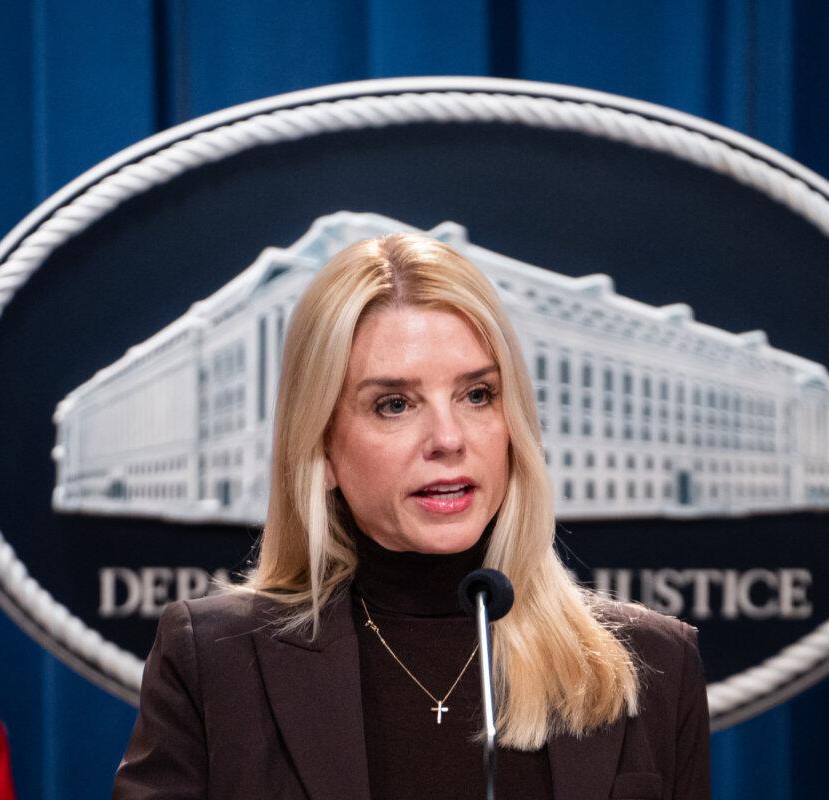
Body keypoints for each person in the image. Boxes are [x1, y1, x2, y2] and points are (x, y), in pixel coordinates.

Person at [113, 232, 710, 799]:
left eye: (477, 395)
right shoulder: (215, 661)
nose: (448, 438)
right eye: (395, 404)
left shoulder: (656, 663)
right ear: (321, 448)